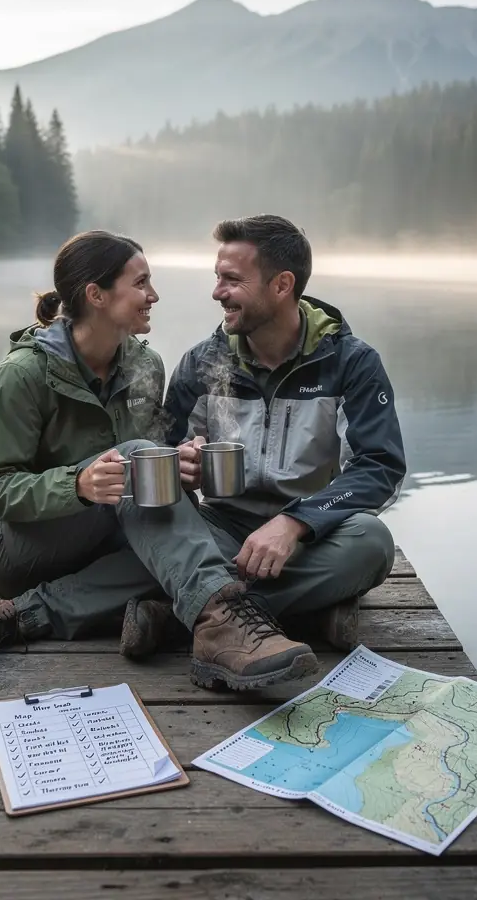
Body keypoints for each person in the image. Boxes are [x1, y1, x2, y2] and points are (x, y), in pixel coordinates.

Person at [0, 229, 317, 693]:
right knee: (169, 516)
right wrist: (77, 483)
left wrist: (176, 462)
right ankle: (220, 624)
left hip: (93, 532)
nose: (153, 295)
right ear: (96, 295)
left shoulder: (145, 365)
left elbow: (145, 465)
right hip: (6, 545)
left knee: (197, 538)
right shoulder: (21, 376)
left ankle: (12, 619)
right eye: (140, 284)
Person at [129, 213, 405, 655]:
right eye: (218, 277)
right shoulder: (202, 361)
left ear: (282, 286)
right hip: (219, 529)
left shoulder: (352, 364)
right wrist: (181, 462)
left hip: (312, 535)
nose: (218, 292)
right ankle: (308, 610)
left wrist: (296, 522)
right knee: (146, 534)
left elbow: (379, 466)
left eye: (232, 280)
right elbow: (159, 448)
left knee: (371, 542)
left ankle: (188, 616)